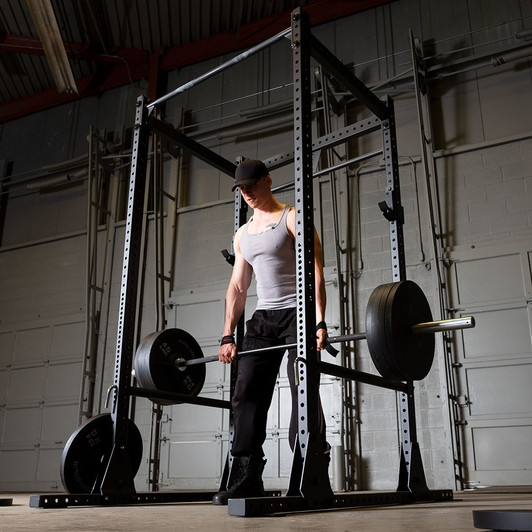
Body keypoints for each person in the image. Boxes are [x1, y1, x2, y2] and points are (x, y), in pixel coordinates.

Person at [212, 158, 329, 505]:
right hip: (264, 319)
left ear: (268, 181)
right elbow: (238, 287)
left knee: (302, 392)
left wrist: (320, 320)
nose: (246, 193)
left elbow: (317, 271)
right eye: (241, 189)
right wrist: (228, 334)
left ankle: (311, 468)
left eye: (251, 185)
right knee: (246, 392)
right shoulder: (243, 235)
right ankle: (248, 475)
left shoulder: (292, 217)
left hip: (298, 315)